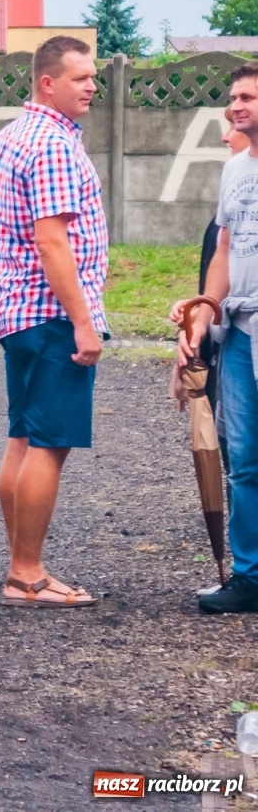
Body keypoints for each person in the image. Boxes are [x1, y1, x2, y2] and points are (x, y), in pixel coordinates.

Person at [0, 35, 107, 609]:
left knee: (23, 438)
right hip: (51, 312)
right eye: (82, 78)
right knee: (48, 445)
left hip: (18, 313)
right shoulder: (53, 144)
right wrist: (83, 322)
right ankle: (27, 575)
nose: (92, 87)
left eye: (93, 78)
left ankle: (19, 566)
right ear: (47, 82)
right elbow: (52, 240)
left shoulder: (14, 135)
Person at [175, 63, 258, 614]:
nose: (236, 106)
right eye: (233, 97)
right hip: (241, 331)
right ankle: (249, 578)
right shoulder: (235, 171)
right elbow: (224, 250)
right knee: (244, 458)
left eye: (248, 97)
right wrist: (203, 316)